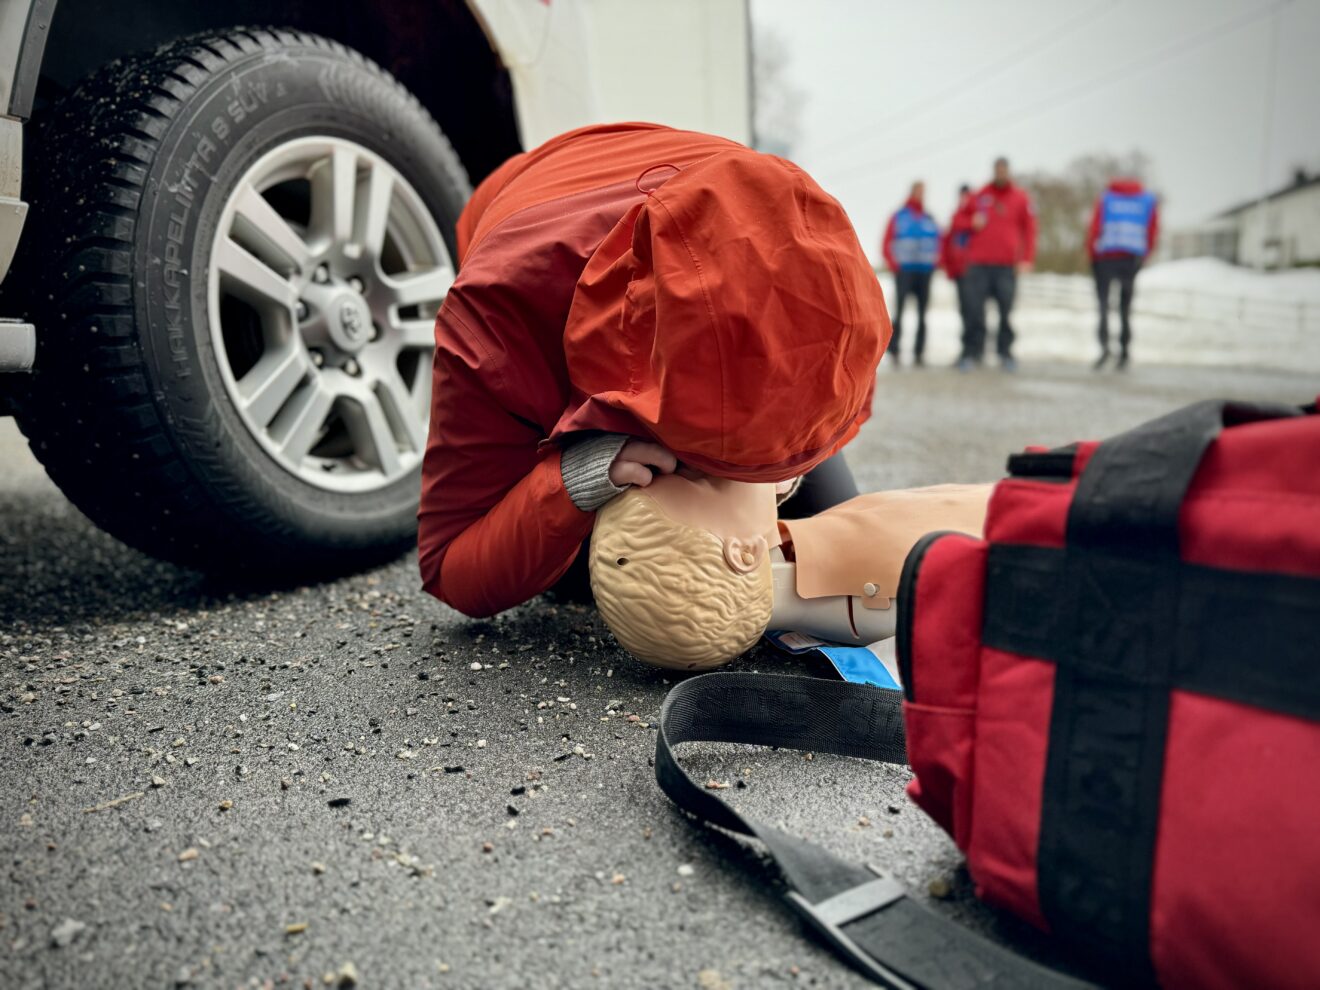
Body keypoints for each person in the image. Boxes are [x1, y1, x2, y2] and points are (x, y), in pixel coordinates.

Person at [417, 123, 890, 619]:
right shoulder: (496, 320)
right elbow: (448, 564)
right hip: (516, 216)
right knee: (597, 572)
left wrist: (785, 464)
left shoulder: (812, 250)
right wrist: (575, 481)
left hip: (622, 188)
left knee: (839, 529)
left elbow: (833, 384)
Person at [590, 474, 990, 670]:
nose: (697, 463)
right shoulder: (873, 583)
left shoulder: (796, 552)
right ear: (744, 553)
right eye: (701, 478)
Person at [958, 157, 1036, 372]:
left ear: (1008, 171)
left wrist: (1027, 258)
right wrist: (970, 222)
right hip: (978, 264)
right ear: (993, 171)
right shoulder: (979, 196)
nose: (1000, 173)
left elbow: (1030, 230)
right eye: (997, 169)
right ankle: (972, 353)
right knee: (974, 311)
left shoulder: (1021, 198)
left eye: (1004, 170)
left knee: (1006, 310)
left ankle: (1005, 352)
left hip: (1006, 266)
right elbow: (957, 221)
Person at [1087, 177, 1159, 370]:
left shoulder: (1107, 198)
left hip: (1105, 257)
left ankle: (1104, 349)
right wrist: (1146, 254)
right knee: (1124, 308)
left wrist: (1091, 253)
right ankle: (1125, 352)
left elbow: (1095, 226)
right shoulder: (1146, 200)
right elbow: (1152, 229)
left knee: (1103, 306)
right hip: (1131, 259)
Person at [881, 181, 941, 366]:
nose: (920, 195)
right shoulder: (899, 216)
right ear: (911, 192)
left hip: (925, 272)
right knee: (899, 311)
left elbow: (940, 242)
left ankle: (919, 352)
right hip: (904, 271)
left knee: (923, 314)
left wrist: (936, 263)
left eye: (923, 192)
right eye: (918, 191)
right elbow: (886, 242)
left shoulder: (929, 218)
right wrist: (894, 264)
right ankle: (895, 350)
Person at [942, 184, 975, 349]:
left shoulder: (979, 216)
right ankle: (968, 348)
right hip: (960, 272)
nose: (965, 200)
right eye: (962, 196)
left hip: (975, 272)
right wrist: (948, 268)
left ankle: (974, 348)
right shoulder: (956, 217)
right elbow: (947, 244)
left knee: (975, 311)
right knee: (965, 311)